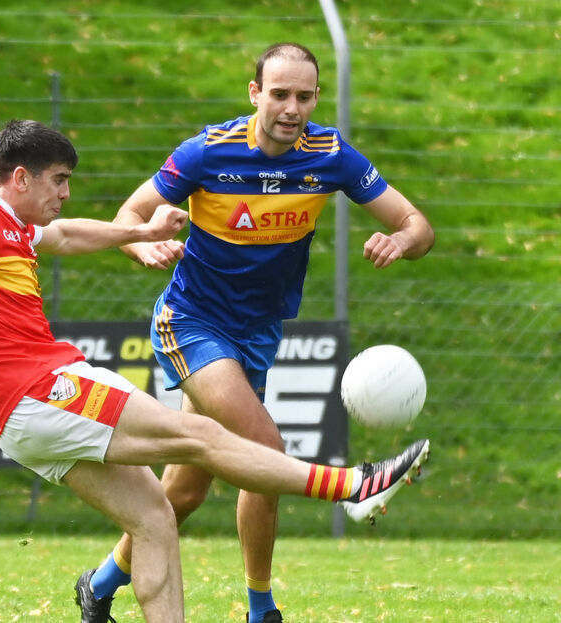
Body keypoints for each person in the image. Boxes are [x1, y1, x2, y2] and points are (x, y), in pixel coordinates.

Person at [0, 119, 430, 623]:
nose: (65, 193)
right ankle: (355, 485)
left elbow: (69, 236)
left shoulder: (14, 226)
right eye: (58, 181)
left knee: (155, 518)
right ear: (18, 178)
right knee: (198, 436)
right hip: (41, 390)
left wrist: (140, 232)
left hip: (23, 418)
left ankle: (103, 587)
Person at [77, 43, 436, 623]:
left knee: (186, 493)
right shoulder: (206, 153)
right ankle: (260, 609)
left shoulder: (331, 156)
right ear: (255, 94)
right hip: (191, 323)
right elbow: (129, 215)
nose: (292, 108)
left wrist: (401, 240)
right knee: (263, 451)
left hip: (257, 335)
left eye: (304, 96)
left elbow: (418, 224)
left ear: (316, 97)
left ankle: (99, 584)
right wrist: (144, 243)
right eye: (280, 94)